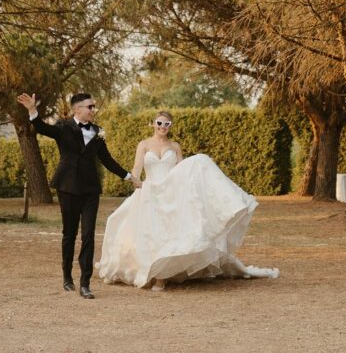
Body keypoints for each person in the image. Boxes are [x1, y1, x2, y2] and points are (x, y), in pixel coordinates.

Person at [97, 111, 279, 290]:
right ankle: (154, 273)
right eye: (159, 123)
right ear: (153, 124)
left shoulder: (175, 146)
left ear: (170, 126)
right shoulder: (144, 145)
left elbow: (181, 170)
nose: (162, 127)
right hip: (150, 192)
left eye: (166, 124)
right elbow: (137, 168)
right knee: (151, 233)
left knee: (171, 232)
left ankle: (163, 275)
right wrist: (135, 181)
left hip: (171, 192)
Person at [16, 92, 140, 299]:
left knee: (89, 234)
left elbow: (108, 161)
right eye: (90, 107)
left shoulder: (99, 132)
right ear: (77, 110)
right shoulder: (63, 127)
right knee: (69, 234)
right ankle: (67, 276)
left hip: (91, 190)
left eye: (94, 107)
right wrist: (32, 111)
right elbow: (42, 128)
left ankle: (85, 283)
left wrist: (130, 177)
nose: (93, 110)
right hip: (67, 187)